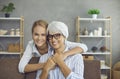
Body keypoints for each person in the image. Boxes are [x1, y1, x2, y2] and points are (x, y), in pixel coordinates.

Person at [18, 20, 87, 79]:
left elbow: (83, 46)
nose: (53, 40)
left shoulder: (76, 57)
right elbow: (21, 67)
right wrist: (45, 68)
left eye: (57, 35)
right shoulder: (43, 57)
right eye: (50, 36)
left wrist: (61, 60)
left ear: (65, 36)